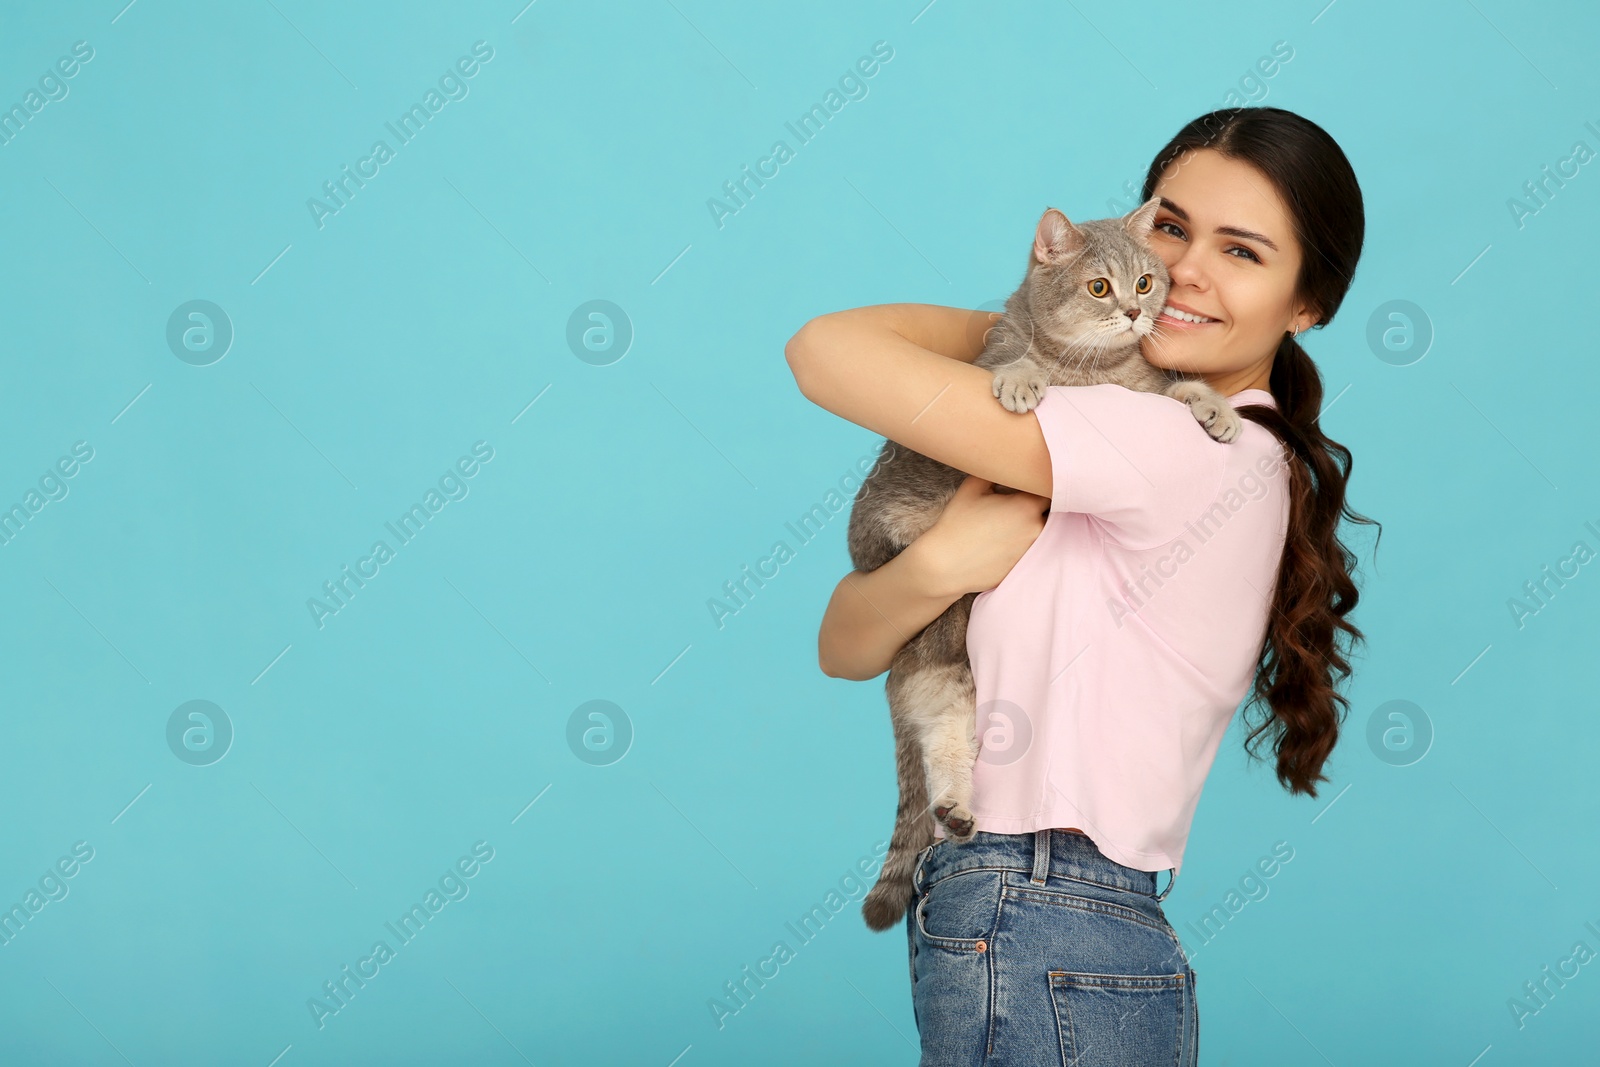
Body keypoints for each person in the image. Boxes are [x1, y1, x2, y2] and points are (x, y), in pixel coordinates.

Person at [784, 106, 1380, 1066]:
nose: (1181, 272)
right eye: (1173, 228)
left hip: (1039, 905)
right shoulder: (1132, 426)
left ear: (1308, 304)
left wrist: (1033, 318)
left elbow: (823, 350)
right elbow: (845, 647)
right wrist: (941, 563)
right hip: (1032, 909)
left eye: (1243, 252)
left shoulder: (1186, 444)